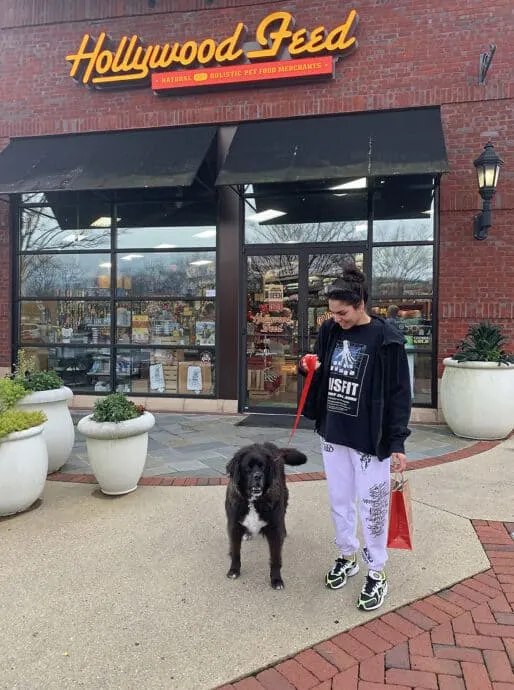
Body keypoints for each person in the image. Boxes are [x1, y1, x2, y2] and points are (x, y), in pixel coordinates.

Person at [299, 266, 411, 612]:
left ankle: (377, 570)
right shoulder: (330, 330)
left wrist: (397, 442)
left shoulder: (385, 337)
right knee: (339, 500)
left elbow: (398, 394)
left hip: (369, 438)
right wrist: (308, 368)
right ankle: (347, 555)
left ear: (360, 304)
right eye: (332, 313)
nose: (336, 319)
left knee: (372, 507)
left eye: (342, 313)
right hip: (334, 431)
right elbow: (321, 370)